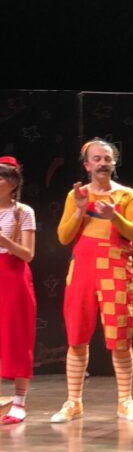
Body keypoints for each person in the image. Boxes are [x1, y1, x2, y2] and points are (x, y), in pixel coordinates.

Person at [52, 138, 133, 422]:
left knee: (120, 337)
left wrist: (115, 217)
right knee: (77, 336)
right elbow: (64, 237)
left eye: (107, 158)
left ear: (114, 163)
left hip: (115, 269)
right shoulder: (76, 195)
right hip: (82, 270)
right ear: (87, 165)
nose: (103, 163)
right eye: (97, 158)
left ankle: (125, 401)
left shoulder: (126, 195)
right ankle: (73, 402)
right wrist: (80, 210)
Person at [0, 157, 36, 425]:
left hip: (13, 275)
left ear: (13, 182)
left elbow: (28, 254)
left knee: (18, 337)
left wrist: (4, 241)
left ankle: (19, 402)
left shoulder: (23, 212)